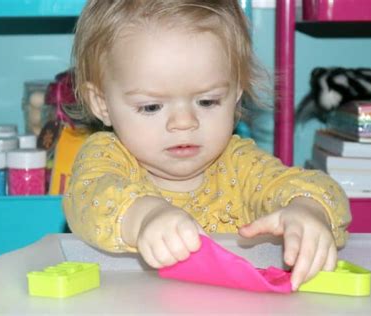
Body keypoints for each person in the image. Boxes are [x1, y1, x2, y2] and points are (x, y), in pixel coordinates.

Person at [63, 0, 351, 291]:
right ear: (102, 103)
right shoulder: (107, 157)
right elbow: (87, 197)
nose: (184, 122)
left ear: (236, 92)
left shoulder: (239, 163)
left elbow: (320, 188)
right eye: (151, 107)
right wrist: (145, 216)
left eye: (207, 101)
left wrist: (308, 211)